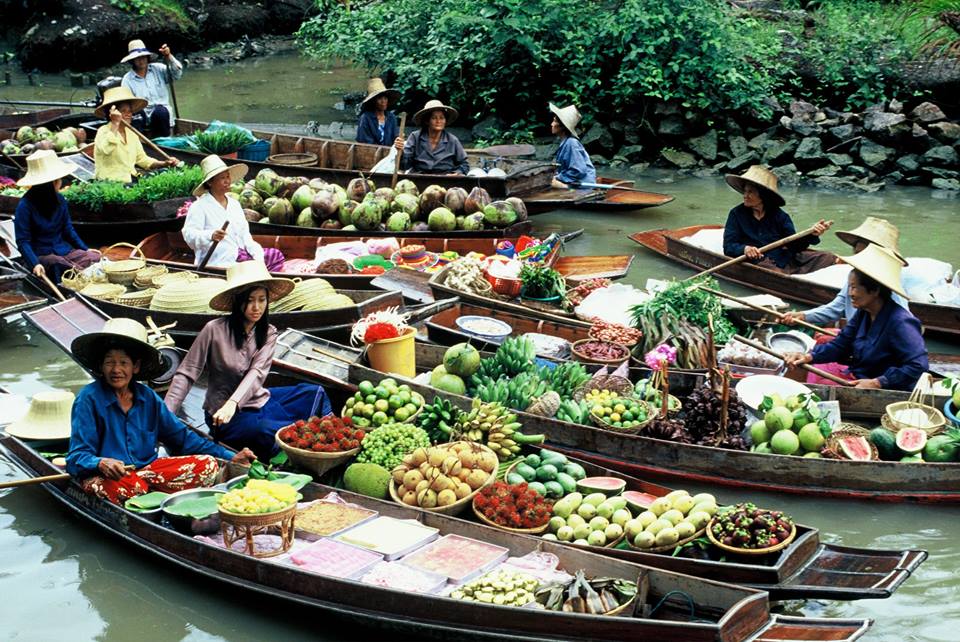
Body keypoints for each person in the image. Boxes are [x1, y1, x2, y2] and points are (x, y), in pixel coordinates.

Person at [66, 318, 256, 505]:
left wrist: (231, 457)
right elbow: (76, 458)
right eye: (110, 362)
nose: (116, 369)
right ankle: (152, 493)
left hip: (147, 473)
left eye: (123, 362)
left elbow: (183, 439)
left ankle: (151, 492)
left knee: (207, 465)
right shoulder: (88, 399)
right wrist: (100, 463)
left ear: (136, 366)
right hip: (108, 478)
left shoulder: (147, 397)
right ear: (101, 366)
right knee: (128, 487)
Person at [164, 261, 332, 461]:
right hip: (223, 415)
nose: (256, 307)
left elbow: (257, 373)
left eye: (262, 300)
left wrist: (233, 402)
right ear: (238, 302)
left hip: (258, 400)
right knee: (263, 432)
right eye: (250, 300)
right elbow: (187, 373)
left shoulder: (268, 333)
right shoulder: (214, 329)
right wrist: (165, 416)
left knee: (314, 393)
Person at [784, 244, 928, 391]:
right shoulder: (863, 313)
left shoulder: (901, 322)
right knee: (802, 366)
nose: (850, 293)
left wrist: (878, 382)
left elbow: (918, 365)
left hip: (881, 386)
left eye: (854, 287)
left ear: (875, 291)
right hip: (858, 374)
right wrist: (809, 356)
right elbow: (840, 345)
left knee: (815, 386)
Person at [783, 216, 909, 327]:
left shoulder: (889, 286)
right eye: (856, 252)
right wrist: (803, 315)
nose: (852, 293)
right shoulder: (855, 275)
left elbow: (902, 325)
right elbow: (837, 308)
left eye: (863, 253)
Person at [722, 165, 836, 275]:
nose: (745, 195)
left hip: (783, 259)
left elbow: (794, 246)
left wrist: (812, 234)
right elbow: (729, 246)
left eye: (750, 192)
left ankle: (791, 276)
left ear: (763, 195)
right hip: (759, 261)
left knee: (828, 257)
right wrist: (745, 249)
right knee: (773, 272)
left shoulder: (780, 216)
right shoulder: (736, 214)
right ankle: (788, 279)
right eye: (745, 191)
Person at [181, 154, 284, 270]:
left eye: (228, 177)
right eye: (222, 178)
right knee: (245, 269)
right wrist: (210, 235)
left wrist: (256, 254)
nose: (227, 181)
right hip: (219, 259)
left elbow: (245, 235)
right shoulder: (199, 206)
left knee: (276, 256)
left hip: (241, 253)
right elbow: (189, 234)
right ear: (210, 183)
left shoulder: (234, 204)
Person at [13, 150, 100, 283]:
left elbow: (68, 229)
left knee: (93, 257)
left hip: (63, 250)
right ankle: (78, 274)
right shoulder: (25, 206)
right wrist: (35, 263)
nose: (61, 182)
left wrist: (85, 248)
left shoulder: (59, 200)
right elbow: (23, 241)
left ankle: (79, 272)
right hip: (41, 255)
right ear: (52, 183)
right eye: (58, 180)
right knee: (57, 263)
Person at [93, 86, 178, 183]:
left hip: (131, 178)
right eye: (123, 111)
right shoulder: (103, 131)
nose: (128, 114)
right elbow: (106, 149)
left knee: (165, 172)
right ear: (112, 113)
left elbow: (142, 159)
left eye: (130, 111)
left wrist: (164, 163)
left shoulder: (131, 133)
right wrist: (115, 123)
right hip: (111, 182)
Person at [120, 39, 183, 138]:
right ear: (132, 60)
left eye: (143, 57)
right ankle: (140, 142)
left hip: (162, 115)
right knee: (137, 115)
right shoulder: (127, 79)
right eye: (137, 58)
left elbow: (177, 74)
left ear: (147, 57)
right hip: (142, 116)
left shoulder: (158, 69)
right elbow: (127, 103)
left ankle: (164, 141)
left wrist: (168, 56)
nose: (141, 60)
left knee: (160, 112)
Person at [394, 99, 468, 175]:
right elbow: (404, 165)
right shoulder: (415, 137)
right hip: (419, 178)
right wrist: (401, 151)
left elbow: (464, 164)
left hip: (445, 178)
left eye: (441, 118)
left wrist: (457, 173)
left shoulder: (452, 140)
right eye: (434, 118)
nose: (438, 121)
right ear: (427, 121)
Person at [548, 103, 596, 189]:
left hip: (581, 185)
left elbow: (578, 170)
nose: (551, 124)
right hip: (573, 181)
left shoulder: (571, 143)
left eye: (554, 121)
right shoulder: (565, 142)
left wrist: (557, 178)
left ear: (562, 126)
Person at [356, 78, 400, 146]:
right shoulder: (365, 118)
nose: (383, 102)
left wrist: (398, 141)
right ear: (373, 101)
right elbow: (364, 141)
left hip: (388, 152)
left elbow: (394, 137)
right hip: (370, 153)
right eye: (379, 99)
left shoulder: (391, 117)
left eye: (385, 98)